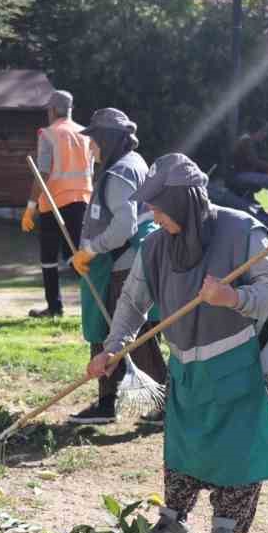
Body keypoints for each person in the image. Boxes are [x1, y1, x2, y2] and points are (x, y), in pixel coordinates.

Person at [88, 154, 268, 533]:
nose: (152, 214)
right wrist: (113, 347)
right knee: (183, 445)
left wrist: (233, 298)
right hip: (188, 362)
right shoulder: (156, 244)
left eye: (159, 207)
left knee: (236, 450)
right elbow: (132, 301)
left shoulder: (241, 230)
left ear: (183, 203)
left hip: (242, 359)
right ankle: (172, 523)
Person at [65, 108, 168, 426]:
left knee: (134, 334)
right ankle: (106, 402)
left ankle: (165, 405)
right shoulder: (133, 164)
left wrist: (91, 249)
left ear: (107, 140)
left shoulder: (121, 172)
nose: (90, 147)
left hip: (122, 264)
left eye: (93, 140)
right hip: (122, 263)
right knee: (108, 329)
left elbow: (124, 226)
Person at [23, 90, 95, 318]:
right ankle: (93, 304)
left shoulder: (48, 134)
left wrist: (30, 208)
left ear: (52, 110)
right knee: (78, 256)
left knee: (49, 258)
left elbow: (42, 173)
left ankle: (54, 307)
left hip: (53, 203)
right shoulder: (86, 134)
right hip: (82, 201)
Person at [231, 122, 268, 212]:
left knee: (266, 183)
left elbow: (257, 160)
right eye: (263, 131)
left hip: (245, 173)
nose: (265, 135)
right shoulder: (245, 141)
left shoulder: (249, 141)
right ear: (257, 131)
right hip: (242, 175)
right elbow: (255, 162)